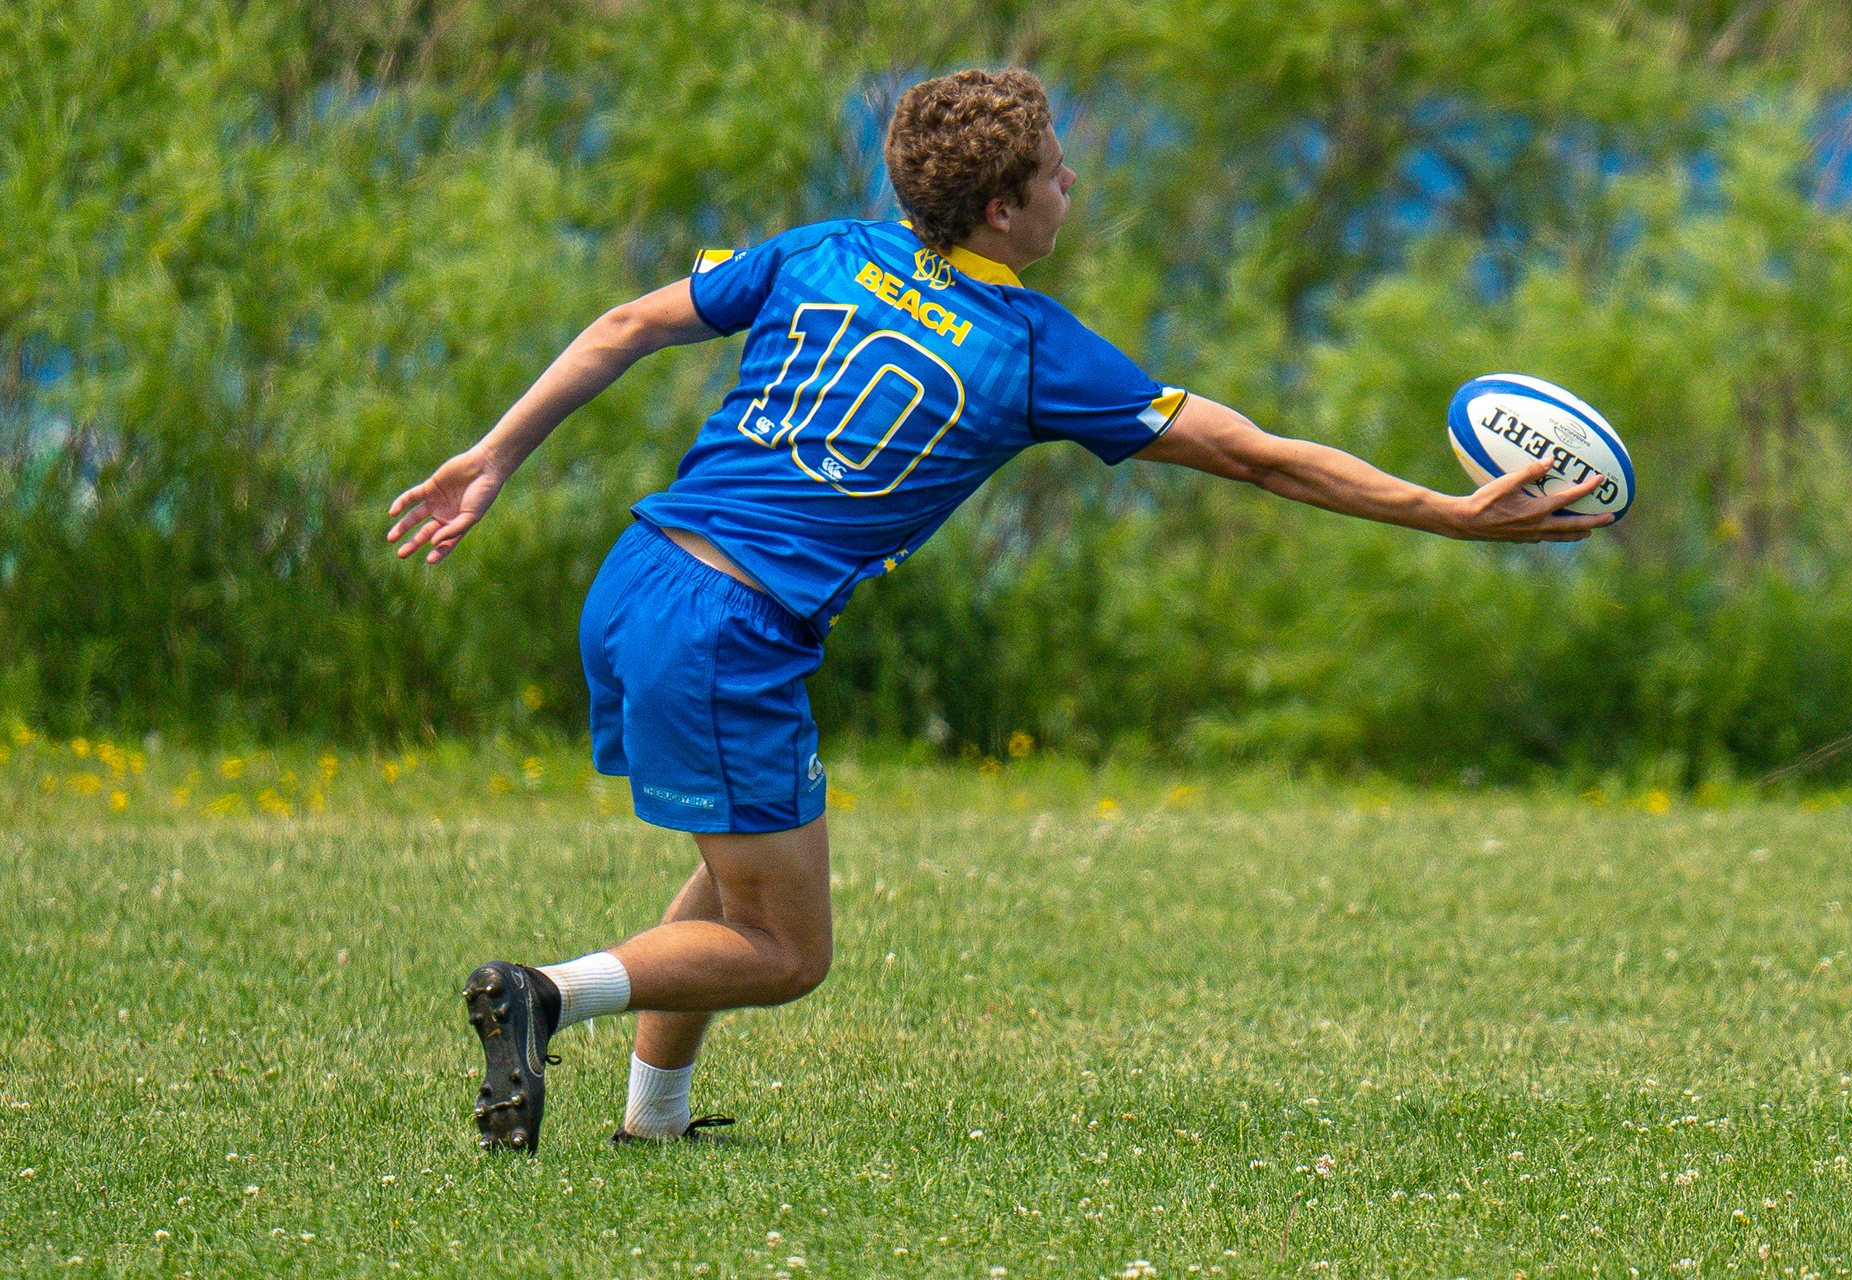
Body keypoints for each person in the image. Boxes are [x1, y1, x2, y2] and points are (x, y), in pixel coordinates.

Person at [386, 69, 1610, 1155]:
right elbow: (1257, 456)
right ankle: (544, 992)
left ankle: (654, 1120)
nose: (1073, 178)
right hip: (728, 629)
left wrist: (493, 454)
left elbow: (625, 323)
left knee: (738, 870)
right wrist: (1444, 514)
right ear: (1005, 213)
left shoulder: (826, 248)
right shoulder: (1033, 349)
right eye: (1055, 169)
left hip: (641, 576)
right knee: (787, 952)